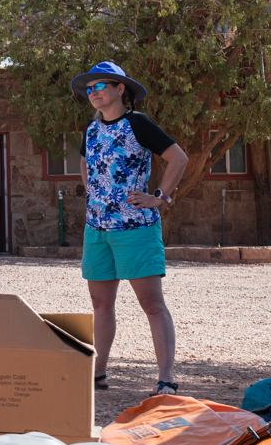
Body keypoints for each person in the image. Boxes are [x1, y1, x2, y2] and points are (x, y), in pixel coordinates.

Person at [71, 61, 187, 395]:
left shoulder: (138, 123)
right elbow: (84, 161)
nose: (93, 93)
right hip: (97, 230)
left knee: (152, 304)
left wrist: (160, 197)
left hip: (135, 227)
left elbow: (178, 158)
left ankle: (166, 379)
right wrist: (92, 193)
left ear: (120, 89)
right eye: (89, 89)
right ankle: (98, 374)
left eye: (100, 86)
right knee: (100, 305)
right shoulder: (91, 129)